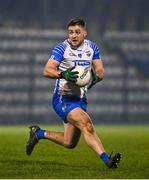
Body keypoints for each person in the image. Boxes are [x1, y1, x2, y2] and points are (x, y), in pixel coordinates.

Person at [26, 18, 121, 168]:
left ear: (85, 33)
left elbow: (101, 70)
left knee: (69, 142)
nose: (74, 35)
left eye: (77, 32)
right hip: (62, 98)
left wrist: (96, 77)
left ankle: (38, 134)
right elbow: (47, 70)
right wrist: (63, 74)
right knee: (87, 125)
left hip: (80, 100)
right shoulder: (61, 48)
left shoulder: (92, 48)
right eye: (71, 32)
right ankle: (107, 160)